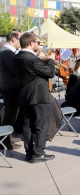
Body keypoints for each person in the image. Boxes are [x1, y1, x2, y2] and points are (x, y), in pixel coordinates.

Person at [14, 32, 56, 163]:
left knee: (28, 125)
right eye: (38, 42)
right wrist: (50, 60)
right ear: (31, 43)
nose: (39, 44)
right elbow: (50, 72)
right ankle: (38, 153)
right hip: (39, 96)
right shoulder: (33, 59)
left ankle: (29, 152)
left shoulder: (17, 57)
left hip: (25, 96)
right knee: (41, 125)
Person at [0, 31, 22, 150]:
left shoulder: (7, 51)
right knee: (10, 115)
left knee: (12, 114)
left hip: (10, 86)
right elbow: (16, 69)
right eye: (20, 39)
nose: (22, 42)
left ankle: (8, 136)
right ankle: (4, 141)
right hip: (10, 87)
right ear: (14, 39)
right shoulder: (7, 52)